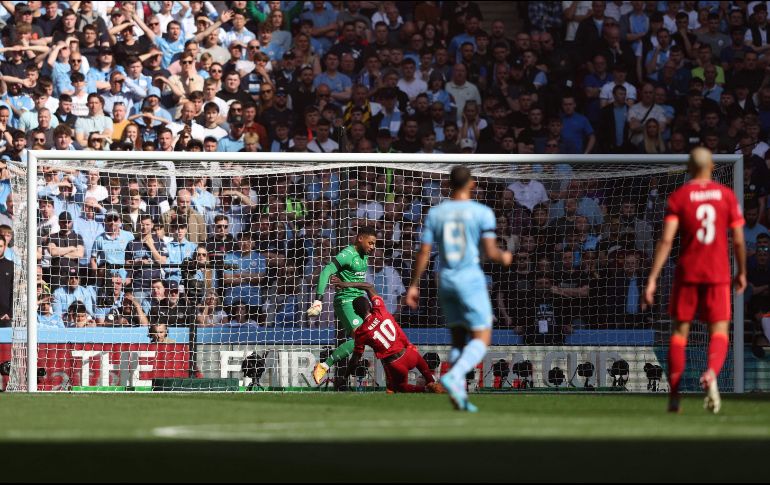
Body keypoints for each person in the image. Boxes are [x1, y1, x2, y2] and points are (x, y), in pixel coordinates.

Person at [643, 148, 746, 414]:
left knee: (679, 334)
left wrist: (652, 278)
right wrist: (742, 271)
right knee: (719, 331)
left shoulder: (679, 196)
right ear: (712, 167)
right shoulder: (726, 195)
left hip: (688, 272)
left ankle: (675, 396)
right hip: (717, 273)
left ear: (689, 168)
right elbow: (737, 239)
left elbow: (666, 240)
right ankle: (711, 373)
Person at [405, 166, 513, 412]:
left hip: (445, 280)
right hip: (470, 279)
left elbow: (424, 251)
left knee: (457, 341)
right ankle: (455, 376)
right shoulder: (482, 212)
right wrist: (505, 257)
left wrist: (413, 285)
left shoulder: (436, 213)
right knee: (482, 337)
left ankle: (459, 396)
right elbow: (491, 252)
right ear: (472, 184)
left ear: (448, 185)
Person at [333, 278, 442, 393]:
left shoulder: (361, 332)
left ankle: (425, 389)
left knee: (399, 387)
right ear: (370, 305)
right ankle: (433, 384)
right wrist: (346, 284)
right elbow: (369, 286)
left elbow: (355, 359)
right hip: (409, 354)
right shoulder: (380, 309)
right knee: (424, 368)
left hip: (395, 364)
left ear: (355, 313)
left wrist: (344, 377)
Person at [308, 226, 377, 386]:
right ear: (360, 238)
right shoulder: (347, 254)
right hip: (345, 301)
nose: (373, 247)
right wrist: (318, 300)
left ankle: (347, 373)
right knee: (360, 338)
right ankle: (324, 366)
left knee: (368, 337)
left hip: (359, 301)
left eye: (374, 244)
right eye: (370, 243)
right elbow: (326, 271)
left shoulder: (364, 255)